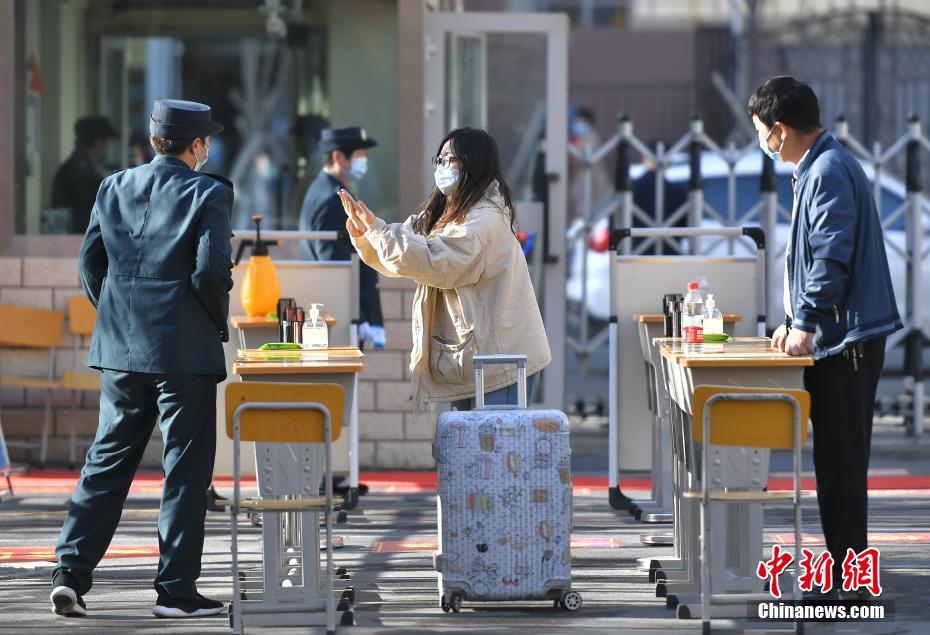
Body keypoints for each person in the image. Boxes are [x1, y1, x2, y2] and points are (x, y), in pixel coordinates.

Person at [50, 99, 233, 619]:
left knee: (106, 460)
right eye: (206, 142)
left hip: (119, 349)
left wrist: (118, 314)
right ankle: (175, 592)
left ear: (155, 140)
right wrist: (209, 322)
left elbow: (91, 265)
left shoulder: (111, 187)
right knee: (184, 469)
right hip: (184, 352)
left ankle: (69, 573)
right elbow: (210, 270)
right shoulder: (208, 192)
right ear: (196, 145)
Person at [748, 76, 902, 597]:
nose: (762, 143)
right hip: (839, 336)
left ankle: (850, 583)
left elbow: (832, 255)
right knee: (834, 463)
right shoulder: (817, 167)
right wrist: (793, 322)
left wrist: (806, 324)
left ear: (781, 129)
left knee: (840, 463)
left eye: (761, 133)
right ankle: (844, 575)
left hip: (846, 341)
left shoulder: (828, 171)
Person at [339, 127, 550, 414]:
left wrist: (377, 231)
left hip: (501, 364)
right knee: (467, 453)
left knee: (491, 455)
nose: (440, 167)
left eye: (448, 159)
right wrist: (367, 232)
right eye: (438, 160)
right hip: (475, 360)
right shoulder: (447, 213)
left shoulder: (484, 220)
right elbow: (404, 251)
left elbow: (434, 262)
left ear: (472, 163)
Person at [299, 126, 385, 348]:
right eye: (359, 156)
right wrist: (359, 316)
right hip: (341, 316)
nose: (363, 162)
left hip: (343, 313)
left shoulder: (326, 189)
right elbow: (335, 265)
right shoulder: (329, 198)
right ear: (338, 157)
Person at [51, 116, 120, 233]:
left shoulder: (71, 168)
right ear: (99, 143)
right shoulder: (82, 174)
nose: (108, 149)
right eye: (107, 144)